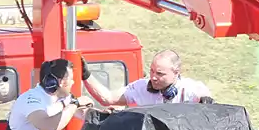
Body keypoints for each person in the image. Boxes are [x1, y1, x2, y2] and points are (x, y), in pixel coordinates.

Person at [81, 49, 213, 108]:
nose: (154, 78)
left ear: (176, 73)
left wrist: (205, 99)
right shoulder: (141, 87)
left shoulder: (188, 90)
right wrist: (86, 75)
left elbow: (203, 94)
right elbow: (108, 98)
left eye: (160, 74)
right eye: (152, 71)